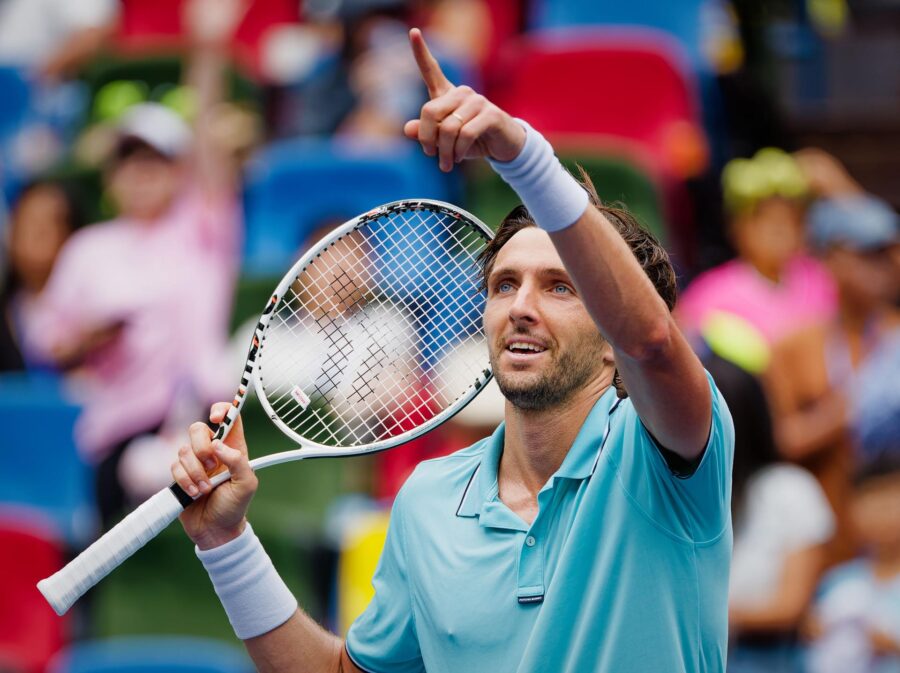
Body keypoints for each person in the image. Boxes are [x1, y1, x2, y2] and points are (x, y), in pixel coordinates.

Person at [172, 29, 734, 672]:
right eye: (504, 285)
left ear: (614, 341)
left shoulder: (669, 456)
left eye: (561, 287)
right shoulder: (428, 499)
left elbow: (653, 341)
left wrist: (523, 158)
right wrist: (226, 544)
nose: (520, 306)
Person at [25, 0, 245, 527]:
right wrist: (85, 341)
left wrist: (208, 49)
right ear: (111, 176)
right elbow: (47, 340)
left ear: (178, 172)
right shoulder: (87, 248)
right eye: (129, 159)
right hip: (114, 432)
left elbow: (209, 142)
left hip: (199, 421)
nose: (141, 172)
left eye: (155, 160)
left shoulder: (203, 228)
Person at [766, 192, 900, 565]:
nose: (883, 266)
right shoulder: (794, 346)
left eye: (887, 254)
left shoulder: (895, 338)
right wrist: (842, 413)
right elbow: (777, 443)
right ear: (831, 259)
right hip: (830, 548)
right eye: (867, 254)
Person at [711, 354, 834, 673]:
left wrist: (710, 616)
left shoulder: (789, 490)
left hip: (766, 657)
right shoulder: (679, 493)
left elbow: (791, 604)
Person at [677, 147, 836, 349]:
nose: (779, 231)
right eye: (766, 220)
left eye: (789, 220)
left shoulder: (822, 281)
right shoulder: (709, 293)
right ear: (738, 228)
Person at [805, 455, 900, 673]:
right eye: (871, 504)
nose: (882, 516)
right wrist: (812, 630)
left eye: (890, 505)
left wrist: (892, 644)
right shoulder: (837, 581)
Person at [0, 180, 84, 372]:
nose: (38, 233)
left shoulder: (94, 313)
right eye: (29, 221)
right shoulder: (8, 311)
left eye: (51, 222)